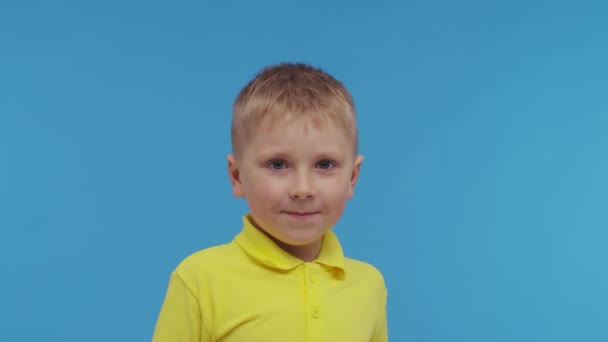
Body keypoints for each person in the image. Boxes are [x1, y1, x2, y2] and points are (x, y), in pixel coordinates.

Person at [152, 63, 388, 341]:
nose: (303, 189)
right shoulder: (198, 280)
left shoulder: (369, 285)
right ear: (237, 176)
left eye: (324, 164)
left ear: (353, 177)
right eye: (278, 164)